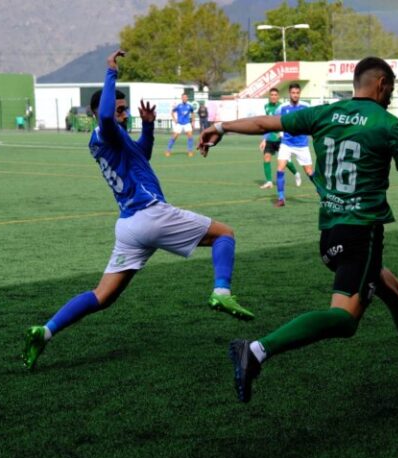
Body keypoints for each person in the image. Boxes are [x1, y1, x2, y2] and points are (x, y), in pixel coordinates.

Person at [199, 56, 398, 404]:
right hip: (362, 235)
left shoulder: (324, 114)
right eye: (390, 89)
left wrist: (221, 128)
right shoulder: (389, 125)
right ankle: (255, 351)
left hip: (331, 234)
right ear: (381, 84)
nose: (390, 96)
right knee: (344, 320)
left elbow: (263, 122)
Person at [21, 50, 254, 370]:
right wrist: (110, 72)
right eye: (118, 109)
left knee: (102, 296)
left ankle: (45, 332)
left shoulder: (111, 139)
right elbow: (104, 117)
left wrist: (146, 128)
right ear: (98, 111)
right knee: (225, 234)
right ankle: (221, 291)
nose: (121, 114)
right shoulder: (104, 129)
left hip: (130, 225)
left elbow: (141, 156)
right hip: (150, 214)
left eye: (124, 109)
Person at [273, 83, 313, 207]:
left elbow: (313, 122)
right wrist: (271, 136)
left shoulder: (307, 106)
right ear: (289, 93)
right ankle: (281, 198)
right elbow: (274, 122)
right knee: (280, 169)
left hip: (302, 145)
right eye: (293, 93)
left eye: (297, 93)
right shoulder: (282, 108)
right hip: (286, 143)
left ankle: (323, 194)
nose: (295, 95)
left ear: (299, 94)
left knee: (310, 172)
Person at [258, 87, 301, 190]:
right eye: (271, 95)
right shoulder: (266, 107)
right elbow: (267, 124)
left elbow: (286, 122)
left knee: (284, 161)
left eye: (275, 95)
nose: (273, 97)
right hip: (270, 138)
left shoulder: (282, 107)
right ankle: (269, 182)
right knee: (266, 157)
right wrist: (264, 139)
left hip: (281, 139)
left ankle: (296, 173)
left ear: (278, 96)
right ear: (269, 96)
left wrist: (282, 133)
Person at [165, 92, 195, 157]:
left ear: (187, 98)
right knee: (174, 137)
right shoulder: (178, 106)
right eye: (183, 97)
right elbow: (172, 112)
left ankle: (190, 151)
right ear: (181, 98)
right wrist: (174, 119)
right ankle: (168, 150)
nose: (184, 98)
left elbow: (192, 113)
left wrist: (193, 122)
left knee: (190, 136)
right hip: (179, 124)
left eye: (185, 97)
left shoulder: (190, 106)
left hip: (187, 123)